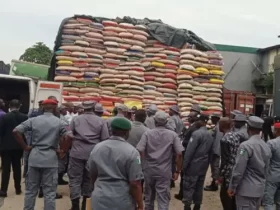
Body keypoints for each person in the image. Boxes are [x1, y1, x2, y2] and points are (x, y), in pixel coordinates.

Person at [13, 99, 72, 210]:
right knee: (49, 192)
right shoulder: (60, 122)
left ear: (42, 107)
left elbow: (16, 131)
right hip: (50, 159)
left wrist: (25, 147)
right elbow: (70, 136)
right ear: (55, 108)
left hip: (34, 157)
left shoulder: (33, 120)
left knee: (30, 191)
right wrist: (63, 150)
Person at [88, 117, 144, 210]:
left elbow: (92, 172)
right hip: (122, 200)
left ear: (111, 130)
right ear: (127, 132)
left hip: (100, 198)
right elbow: (135, 183)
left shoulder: (97, 148)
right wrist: (140, 204)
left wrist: (94, 189)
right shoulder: (134, 153)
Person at [137, 111, 184, 210]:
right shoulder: (173, 135)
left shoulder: (147, 134)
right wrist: (177, 171)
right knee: (163, 199)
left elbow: (140, 150)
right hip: (164, 171)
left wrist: (140, 166)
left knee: (149, 198)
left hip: (148, 170)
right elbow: (179, 153)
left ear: (154, 121)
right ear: (166, 122)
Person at [69, 101, 110, 210]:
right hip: (93, 153)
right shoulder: (101, 121)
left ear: (83, 108)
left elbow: (69, 135)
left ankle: (75, 205)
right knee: (89, 179)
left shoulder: (76, 119)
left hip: (76, 153)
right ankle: (85, 206)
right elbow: (104, 139)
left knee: (75, 179)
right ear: (93, 108)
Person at [228, 116, 271, 210]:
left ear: (248, 128)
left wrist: (232, 187)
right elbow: (267, 170)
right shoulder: (266, 146)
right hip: (259, 190)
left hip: (246, 191)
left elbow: (239, 170)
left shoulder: (245, 146)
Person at [182, 114, 214, 210]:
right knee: (199, 187)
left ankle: (187, 206)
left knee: (189, 186)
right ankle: (197, 205)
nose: (196, 122)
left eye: (198, 121)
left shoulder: (196, 134)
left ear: (202, 122)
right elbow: (210, 153)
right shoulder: (210, 134)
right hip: (203, 166)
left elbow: (189, 152)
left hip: (193, 166)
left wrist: (184, 165)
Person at [0, 99, 28, 197]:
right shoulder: (24, 116)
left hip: (6, 147)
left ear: (9, 106)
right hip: (18, 146)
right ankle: (18, 189)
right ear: (19, 106)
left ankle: (3, 190)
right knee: (17, 168)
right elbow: (26, 132)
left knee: (6, 169)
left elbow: (1, 131)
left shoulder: (5, 116)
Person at [175, 105, 200, 201]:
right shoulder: (193, 126)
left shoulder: (194, 128)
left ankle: (183, 194)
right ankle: (183, 193)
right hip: (188, 153)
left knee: (185, 174)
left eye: (190, 116)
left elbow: (188, 141)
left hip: (188, 154)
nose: (188, 118)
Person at [217, 117, 242, 210]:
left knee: (225, 198)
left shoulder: (225, 139)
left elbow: (225, 159)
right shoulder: (236, 135)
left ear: (223, 125)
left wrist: (220, 175)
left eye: (219, 124)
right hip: (236, 169)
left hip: (228, 172)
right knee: (233, 198)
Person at [204, 112, 223, 192]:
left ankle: (214, 184)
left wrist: (216, 151)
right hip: (215, 150)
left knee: (215, 167)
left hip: (215, 151)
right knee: (214, 167)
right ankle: (214, 182)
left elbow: (218, 141)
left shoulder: (218, 127)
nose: (211, 120)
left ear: (216, 118)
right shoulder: (217, 126)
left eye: (212, 118)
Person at [263, 121, 280, 210]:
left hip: (272, 175)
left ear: (276, 131)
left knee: (268, 202)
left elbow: (265, 159)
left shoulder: (271, 143)